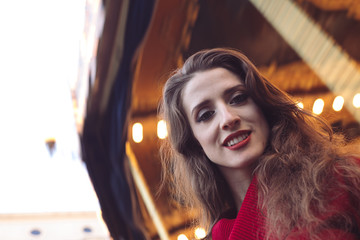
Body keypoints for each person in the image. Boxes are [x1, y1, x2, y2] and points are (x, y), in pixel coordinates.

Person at [159, 48, 360, 239]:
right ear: (194, 142)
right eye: (206, 115)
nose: (228, 118)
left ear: (262, 105)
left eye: (238, 98)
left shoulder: (340, 178)